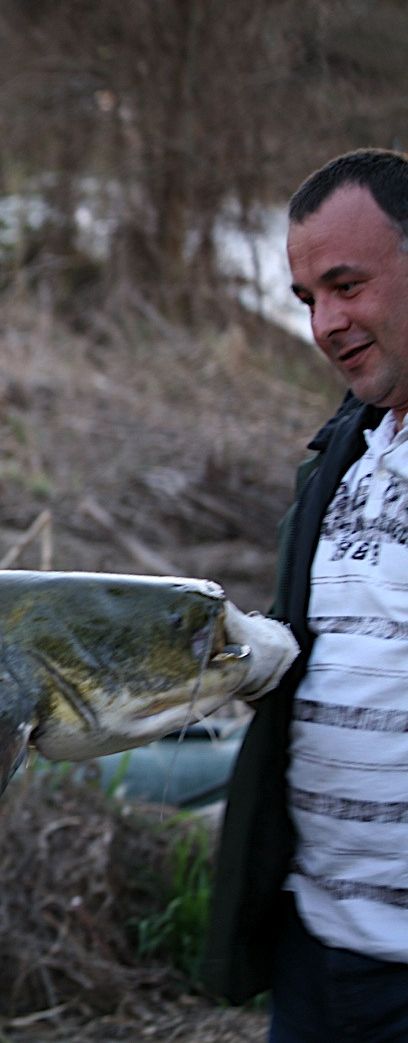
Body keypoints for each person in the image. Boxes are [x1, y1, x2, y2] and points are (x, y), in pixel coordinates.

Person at [203, 149, 408, 1040]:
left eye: (347, 285)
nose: (326, 324)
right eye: (307, 299)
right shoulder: (344, 456)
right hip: (316, 946)